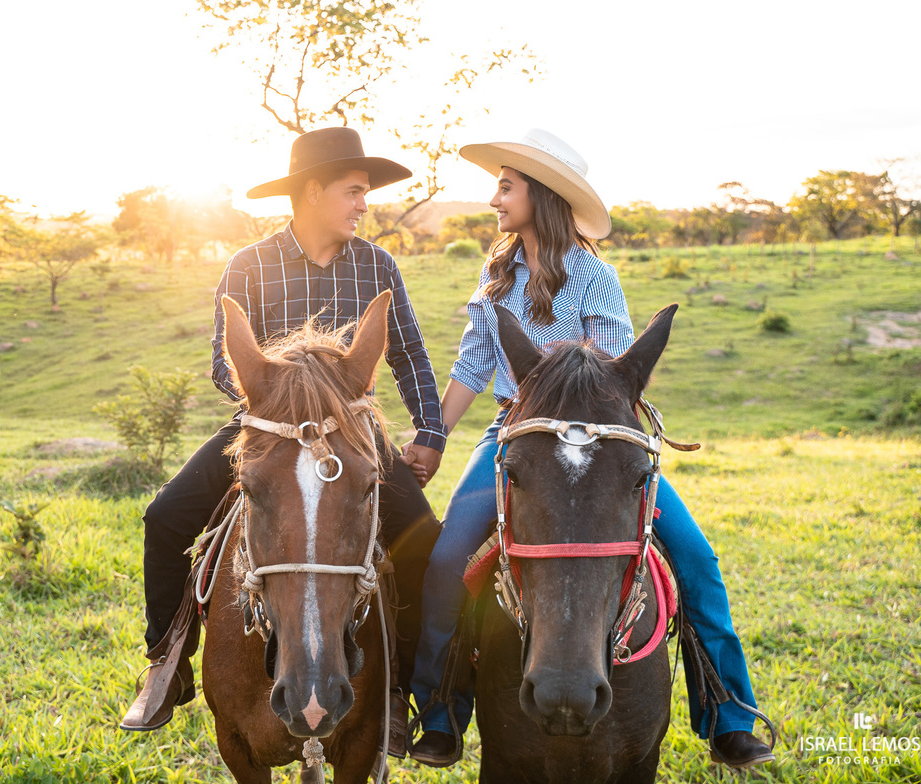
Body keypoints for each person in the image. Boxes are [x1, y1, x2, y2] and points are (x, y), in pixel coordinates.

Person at [405, 129, 775, 770]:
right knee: (445, 561)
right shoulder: (496, 280)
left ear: (540, 195)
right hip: (513, 435)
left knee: (696, 558)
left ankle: (728, 715)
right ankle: (440, 714)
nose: (495, 198)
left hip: (600, 442)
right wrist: (433, 438)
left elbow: (615, 373)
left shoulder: (596, 278)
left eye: (506, 185)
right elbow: (472, 367)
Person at [121, 127, 445, 759]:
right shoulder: (248, 267)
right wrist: (284, 385)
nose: (363, 205)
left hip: (354, 434)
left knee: (425, 543)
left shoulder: (377, 265)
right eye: (354, 192)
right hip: (267, 428)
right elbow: (224, 363)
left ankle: (405, 688)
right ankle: (168, 662)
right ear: (314, 191)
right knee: (164, 520)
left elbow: (408, 355)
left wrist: (428, 431)